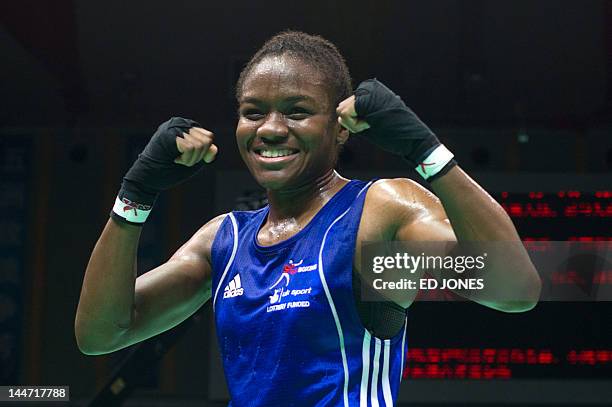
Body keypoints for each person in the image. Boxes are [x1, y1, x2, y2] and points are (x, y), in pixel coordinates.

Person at [75, 31, 541, 406]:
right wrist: (134, 195)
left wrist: (427, 152)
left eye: (297, 112)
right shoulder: (225, 240)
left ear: (339, 127)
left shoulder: (378, 215)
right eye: (252, 113)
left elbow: (513, 290)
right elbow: (100, 335)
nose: (271, 129)